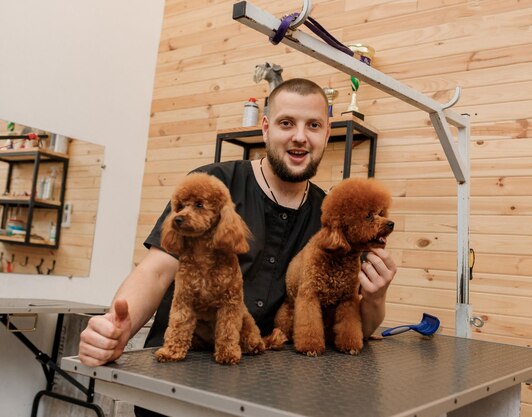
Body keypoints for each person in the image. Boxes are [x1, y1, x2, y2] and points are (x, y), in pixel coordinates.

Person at [79, 78, 397, 415]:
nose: (300, 136)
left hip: (258, 385)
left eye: (313, 125)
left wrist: (376, 297)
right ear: (265, 128)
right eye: (286, 123)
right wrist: (119, 328)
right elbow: (156, 271)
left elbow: (355, 317)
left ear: (326, 132)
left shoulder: (331, 215)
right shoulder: (214, 183)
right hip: (179, 382)